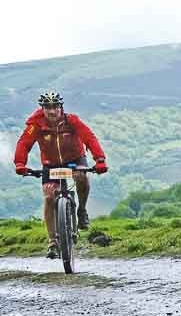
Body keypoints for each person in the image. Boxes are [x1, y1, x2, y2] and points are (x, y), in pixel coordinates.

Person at [12, 91, 109, 258]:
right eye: (47, 107)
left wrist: (99, 159)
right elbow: (24, 143)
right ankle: (52, 241)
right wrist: (20, 163)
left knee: (82, 178)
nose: (52, 111)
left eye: (55, 107)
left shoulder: (72, 121)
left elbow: (89, 138)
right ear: (42, 109)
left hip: (75, 159)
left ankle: (82, 211)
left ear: (61, 107)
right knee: (49, 196)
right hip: (51, 163)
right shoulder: (36, 124)